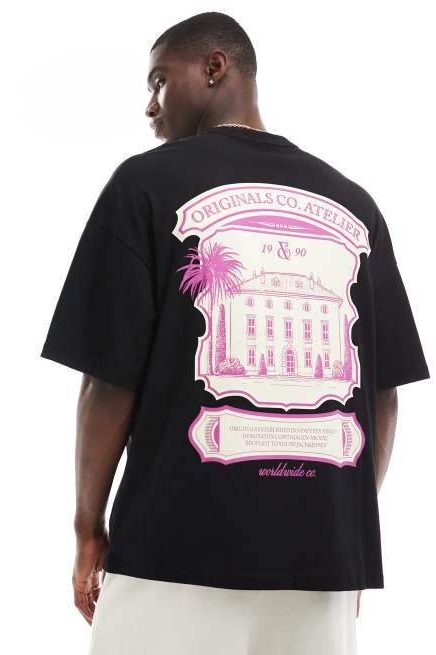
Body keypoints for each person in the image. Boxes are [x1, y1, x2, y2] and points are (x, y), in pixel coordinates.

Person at [40, 12, 431, 655]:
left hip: (172, 554)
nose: (149, 106)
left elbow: (108, 383)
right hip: (321, 562)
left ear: (214, 68)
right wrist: (347, 541)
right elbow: (383, 396)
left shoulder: (145, 183)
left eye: (159, 81)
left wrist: (87, 528)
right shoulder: (356, 204)